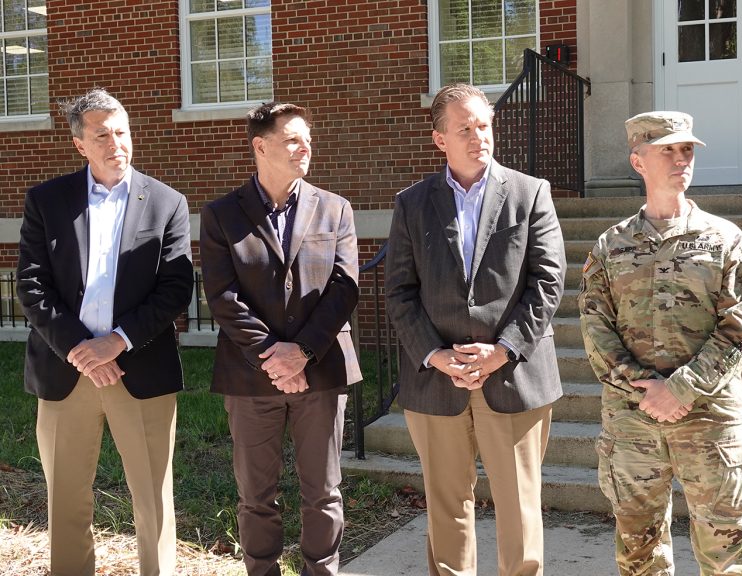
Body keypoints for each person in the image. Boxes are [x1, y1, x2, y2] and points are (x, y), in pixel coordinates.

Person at [384, 83, 566, 576]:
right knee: (447, 508)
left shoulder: (531, 193)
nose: (477, 136)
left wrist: (502, 351)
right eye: (463, 128)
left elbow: (547, 284)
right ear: (440, 138)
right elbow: (399, 291)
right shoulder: (412, 203)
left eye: (483, 125)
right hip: (436, 379)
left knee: (519, 509)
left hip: (511, 376)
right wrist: (435, 355)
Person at [16, 88, 193, 576]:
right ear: (80, 145)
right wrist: (80, 348)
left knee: (153, 500)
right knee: (66, 498)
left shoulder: (166, 202)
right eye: (102, 135)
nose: (116, 143)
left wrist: (115, 342)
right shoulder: (47, 201)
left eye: (122, 132)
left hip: (140, 370)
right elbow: (31, 285)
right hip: (65, 371)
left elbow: (175, 288)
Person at [578, 111, 742, 575]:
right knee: (638, 553)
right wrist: (646, 389)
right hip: (633, 423)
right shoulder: (610, 246)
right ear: (638, 161)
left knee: (728, 555)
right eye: (668, 150)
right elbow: (595, 327)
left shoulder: (725, 241)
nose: (682, 159)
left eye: (687, 150)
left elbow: (738, 328)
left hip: (709, 423)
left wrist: (677, 391)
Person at [199, 101, 360, 576]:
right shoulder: (222, 215)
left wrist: (303, 352)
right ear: (260, 146)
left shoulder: (335, 208)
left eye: (307, 137)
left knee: (324, 492)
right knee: (255, 496)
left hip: (322, 370)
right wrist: (275, 358)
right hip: (251, 376)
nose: (304, 146)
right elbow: (221, 295)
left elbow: (344, 287)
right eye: (292, 139)